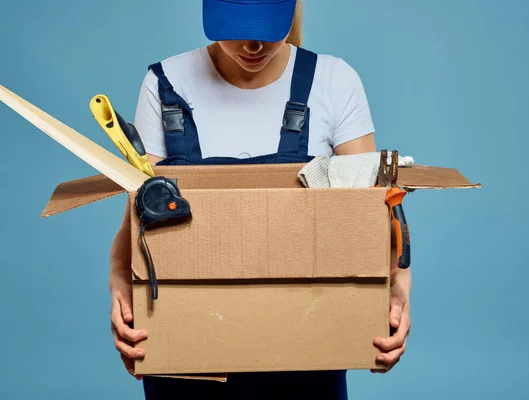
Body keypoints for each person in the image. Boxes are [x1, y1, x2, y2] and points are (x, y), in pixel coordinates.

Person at [108, 0, 412, 398]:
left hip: (307, 353)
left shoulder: (333, 82)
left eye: (269, 28)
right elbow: (136, 221)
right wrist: (120, 295)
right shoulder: (166, 84)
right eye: (238, 27)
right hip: (186, 356)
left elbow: (376, 213)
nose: (254, 45)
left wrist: (398, 293)